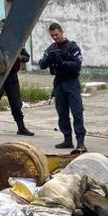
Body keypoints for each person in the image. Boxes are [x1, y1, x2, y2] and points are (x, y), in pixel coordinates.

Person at [0, 23, 34, 136]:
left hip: (11, 76)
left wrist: (19, 57)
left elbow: (26, 57)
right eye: (2, 27)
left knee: (15, 102)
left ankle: (21, 127)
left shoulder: (16, 41)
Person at [39, 22, 85, 151]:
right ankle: (67, 139)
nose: (54, 37)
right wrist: (49, 58)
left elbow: (77, 65)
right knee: (62, 113)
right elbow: (41, 65)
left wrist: (62, 63)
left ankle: (80, 141)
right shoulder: (51, 48)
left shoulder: (72, 47)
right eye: (52, 35)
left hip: (71, 82)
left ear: (61, 32)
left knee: (77, 112)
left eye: (56, 35)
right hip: (59, 83)